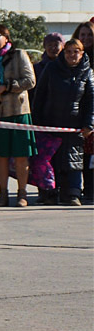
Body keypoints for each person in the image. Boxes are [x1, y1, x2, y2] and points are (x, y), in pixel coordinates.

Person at [0, 24, 37, 208]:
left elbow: (30, 80)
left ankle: (22, 193)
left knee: (21, 156)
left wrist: (6, 87)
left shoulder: (18, 54)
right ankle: (2, 194)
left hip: (18, 112)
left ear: (6, 38)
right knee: (1, 156)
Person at [30, 39, 93, 207]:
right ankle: (48, 192)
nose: (72, 55)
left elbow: (91, 101)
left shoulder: (87, 72)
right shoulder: (51, 69)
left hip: (75, 126)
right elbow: (40, 94)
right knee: (49, 160)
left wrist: (89, 124)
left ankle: (73, 193)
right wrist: (37, 120)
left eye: (75, 52)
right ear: (63, 53)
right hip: (50, 122)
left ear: (81, 53)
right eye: (68, 52)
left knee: (73, 161)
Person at [28, 32, 66, 204]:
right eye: (49, 43)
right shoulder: (37, 68)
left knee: (61, 159)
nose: (53, 46)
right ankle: (44, 191)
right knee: (42, 158)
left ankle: (62, 190)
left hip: (63, 120)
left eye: (57, 43)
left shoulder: (68, 66)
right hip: (42, 120)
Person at [75, 21, 94, 201]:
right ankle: (83, 187)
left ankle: (90, 188)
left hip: (92, 110)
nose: (86, 38)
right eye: (83, 35)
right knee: (82, 151)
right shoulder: (74, 56)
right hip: (77, 110)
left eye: (90, 35)